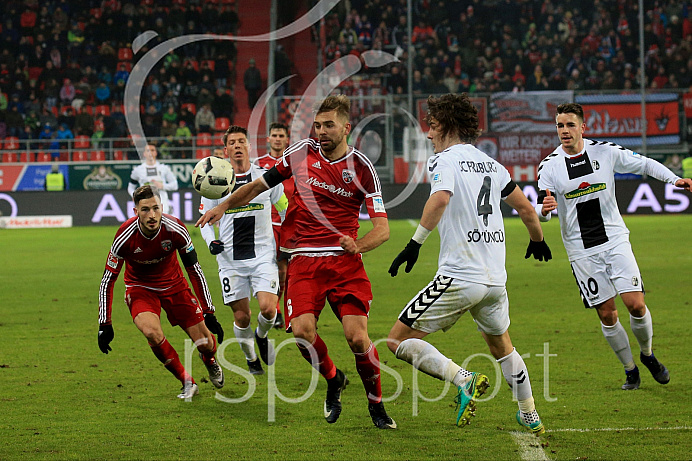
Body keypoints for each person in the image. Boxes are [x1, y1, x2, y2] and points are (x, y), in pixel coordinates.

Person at [197, 95, 396, 429]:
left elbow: (383, 229)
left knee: (357, 338)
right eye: (317, 125)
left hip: (344, 263)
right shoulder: (300, 153)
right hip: (303, 260)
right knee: (303, 333)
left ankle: (376, 406)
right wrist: (222, 206)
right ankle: (333, 379)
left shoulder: (362, 167)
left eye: (329, 125)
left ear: (346, 128)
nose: (321, 131)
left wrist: (357, 245)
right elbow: (258, 185)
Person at [387, 93, 551, 435]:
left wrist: (414, 244)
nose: (428, 134)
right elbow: (526, 210)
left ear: (446, 125)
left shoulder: (444, 160)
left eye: (432, 126)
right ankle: (529, 413)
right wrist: (538, 240)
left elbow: (440, 198)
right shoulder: (493, 164)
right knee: (503, 347)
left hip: (460, 275)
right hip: (495, 281)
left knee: (396, 341)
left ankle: (464, 379)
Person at [537, 103, 692, 390]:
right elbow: (540, 209)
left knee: (636, 304)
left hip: (615, 240)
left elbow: (644, 163)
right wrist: (544, 210)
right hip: (581, 251)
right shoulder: (549, 166)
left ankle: (647, 355)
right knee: (607, 313)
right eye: (560, 126)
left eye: (570, 125)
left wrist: (674, 179)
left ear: (583, 127)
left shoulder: (605, 152)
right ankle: (630, 369)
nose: (565, 131)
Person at [97, 185, 226, 399]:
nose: (152, 215)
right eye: (145, 209)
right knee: (152, 333)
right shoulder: (124, 236)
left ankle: (210, 360)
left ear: (162, 207)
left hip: (175, 286)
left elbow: (194, 270)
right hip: (140, 288)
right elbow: (108, 280)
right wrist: (105, 324)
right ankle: (187, 381)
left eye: (155, 208)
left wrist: (208, 311)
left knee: (206, 343)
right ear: (135, 211)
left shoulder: (175, 229)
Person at [199, 126, 287, 375]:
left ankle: (261, 336)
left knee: (269, 309)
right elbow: (205, 221)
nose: (237, 146)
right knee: (242, 317)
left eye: (241, 141)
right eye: (232, 143)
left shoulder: (266, 177)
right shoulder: (215, 182)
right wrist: (211, 243)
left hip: (263, 256)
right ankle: (251, 359)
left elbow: (284, 208)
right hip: (230, 260)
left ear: (249, 146)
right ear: (226, 150)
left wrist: (290, 236)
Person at [254, 122, 293, 329]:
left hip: (290, 225)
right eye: (274, 135)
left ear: (287, 139)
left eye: (281, 135)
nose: (277, 139)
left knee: (289, 271)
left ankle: (288, 312)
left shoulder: (294, 163)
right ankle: (276, 311)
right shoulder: (259, 164)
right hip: (267, 225)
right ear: (268, 139)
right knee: (276, 270)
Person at [128, 143, 179, 214]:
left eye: (152, 150)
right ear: (144, 154)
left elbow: (175, 185)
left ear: (156, 153)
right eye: (148, 151)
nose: (150, 153)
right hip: (145, 203)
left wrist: (163, 186)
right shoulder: (138, 170)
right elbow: (130, 187)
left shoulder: (164, 168)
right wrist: (134, 195)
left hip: (162, 203)